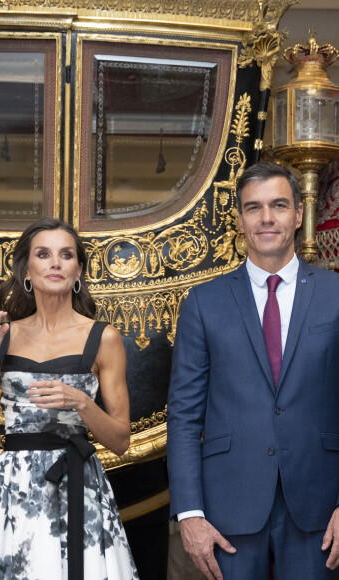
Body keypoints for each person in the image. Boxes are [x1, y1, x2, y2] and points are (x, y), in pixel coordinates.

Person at [167, 161, 339, 580]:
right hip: (228, 506)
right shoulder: (203, 303)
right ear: (240, 218)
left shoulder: (336, 294)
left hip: (321, 505)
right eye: (253, 207)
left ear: (299, 214)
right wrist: (189, 514)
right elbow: (184, 416)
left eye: (278, 205)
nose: (266, 218)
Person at [0, 218, 138, 580]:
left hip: (79, 485)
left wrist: (82, 403)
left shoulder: (104, 338)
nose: (55, 262)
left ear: (78, 270)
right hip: (15, 487)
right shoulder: (3, 336)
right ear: (26, 269)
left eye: (66, 254)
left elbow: (120, 441)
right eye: (44, 254)